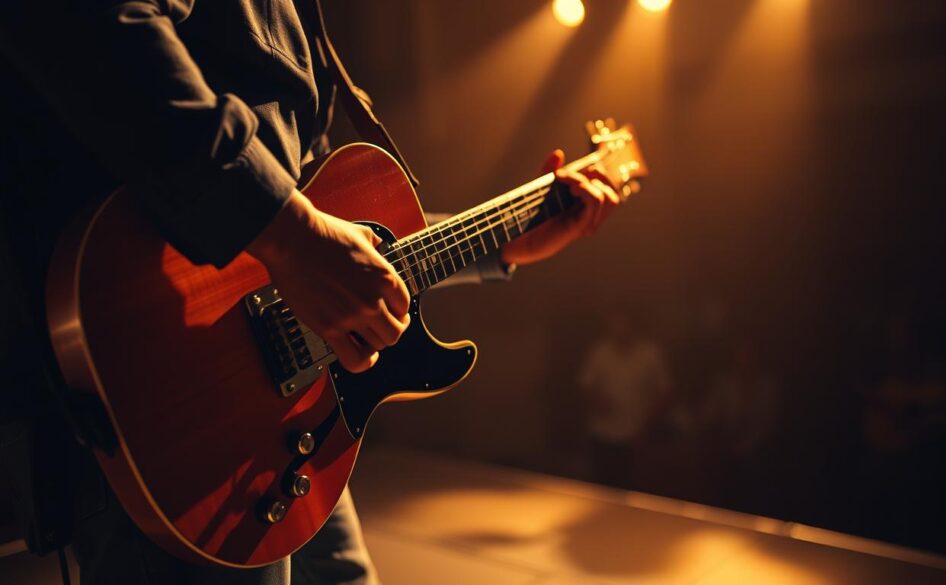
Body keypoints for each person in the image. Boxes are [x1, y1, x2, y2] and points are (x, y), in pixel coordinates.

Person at [0, 2, 622, 584]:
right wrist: (294, 237)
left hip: (290, 418)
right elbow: (88, 24)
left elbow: (335, 222)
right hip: (164, 403)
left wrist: (503, 245)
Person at [579, 312, 672, 489]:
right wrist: (598, 402)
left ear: (633, 325)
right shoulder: (600, 351)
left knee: (634, 490)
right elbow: (586, 385)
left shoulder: (651, 354)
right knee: (601, 489)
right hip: (603, 435)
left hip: (636, 437)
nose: (618, 330)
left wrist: (648, 423)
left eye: (622, 324)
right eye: (614, 324)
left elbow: (664, 391)